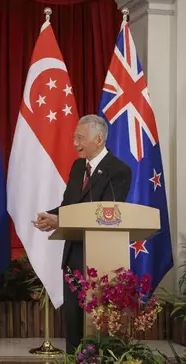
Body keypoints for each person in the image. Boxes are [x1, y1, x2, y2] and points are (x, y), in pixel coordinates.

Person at [33, 114, 132, 354]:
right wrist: (52, 216)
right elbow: (71, 206)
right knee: (74, 321)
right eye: (74, 137)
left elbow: (106, 214)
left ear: (98, 139)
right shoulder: (79, 167)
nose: (75, 143)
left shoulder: (118, 171)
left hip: (102, 259)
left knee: (98, 323)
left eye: (80, 138)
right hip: (73, 256)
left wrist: (62, 220)